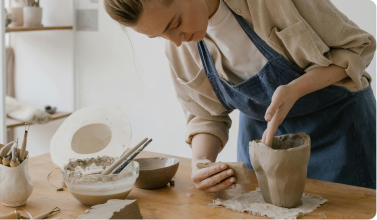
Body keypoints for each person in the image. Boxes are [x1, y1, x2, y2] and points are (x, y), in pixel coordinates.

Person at [104, 0, 376, 191]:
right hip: (261, 143)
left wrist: (296, 88)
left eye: (174, 23)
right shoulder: (178, 48)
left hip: (338, 132)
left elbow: (356, 49)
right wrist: (202, 164)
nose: (176, 40)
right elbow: (205, 116)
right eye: (160, 35)